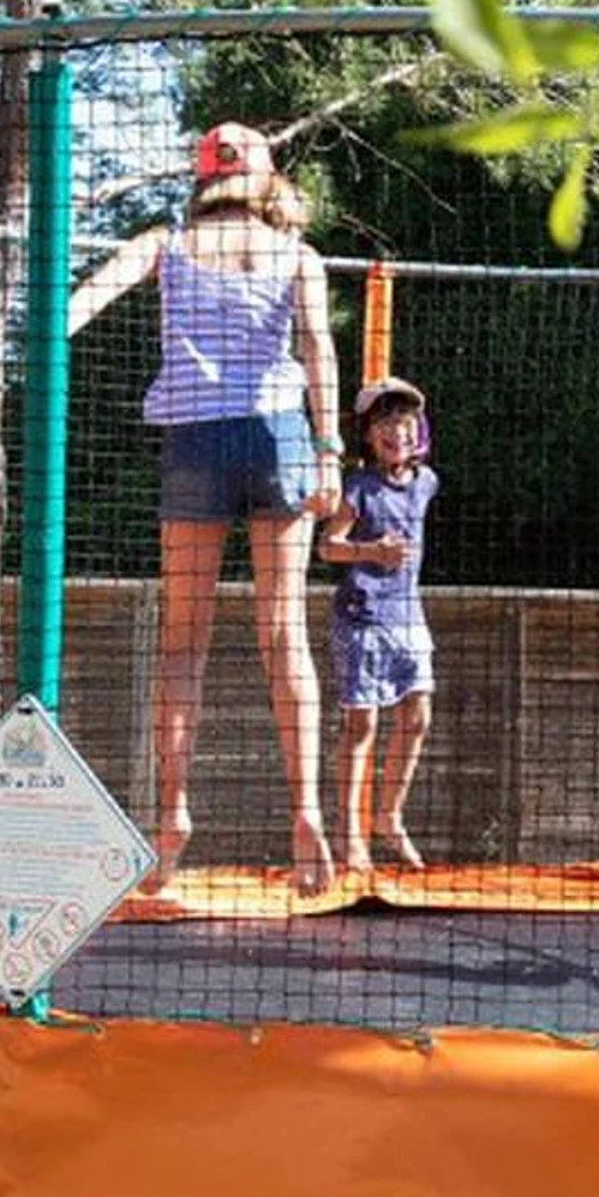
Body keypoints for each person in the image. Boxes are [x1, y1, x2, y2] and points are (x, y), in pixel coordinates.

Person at [68, 121, 340, 896]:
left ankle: (172, 814)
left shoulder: (167, 244)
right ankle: (306, 812)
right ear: (264, 177)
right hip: (277, 437)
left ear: (202, 180)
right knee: (284, 634)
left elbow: (84, 299)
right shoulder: (297, 254)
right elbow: (318, 348)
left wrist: (36, 337)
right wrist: (329, 451)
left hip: (194, 443)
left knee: (184, 644)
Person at [317, 375, 440, 873]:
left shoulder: (426, 483)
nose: (396, 431)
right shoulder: (358, 488)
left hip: (408, 617)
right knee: (361, 723)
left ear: (419, 430)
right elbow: (328, 547)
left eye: (405, 421)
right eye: (384, 422)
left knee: (418, 715)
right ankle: (349, 833)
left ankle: (389, 817)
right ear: (368, 435)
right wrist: (371, 551)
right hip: (362, 619)